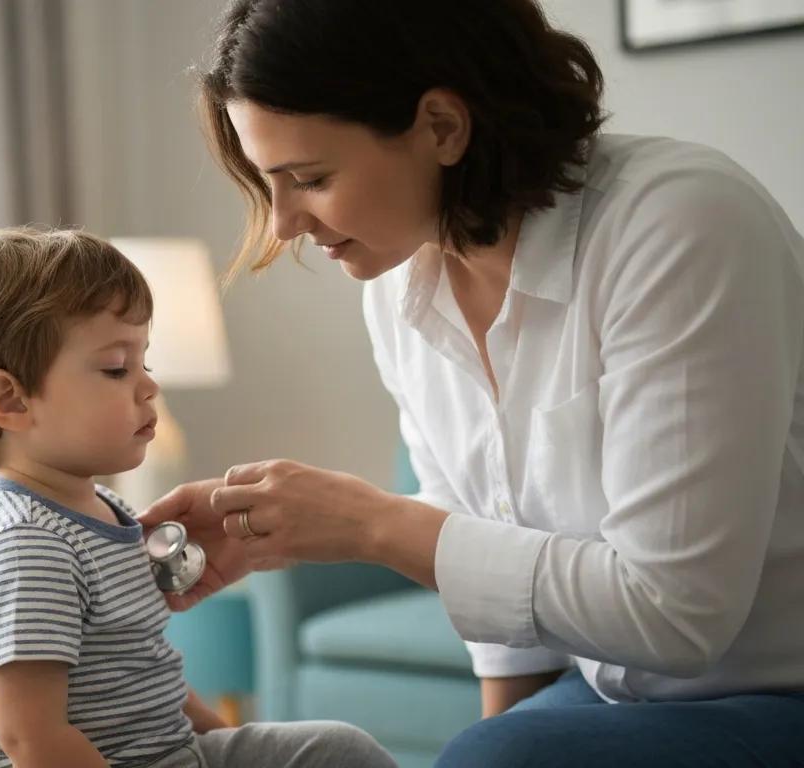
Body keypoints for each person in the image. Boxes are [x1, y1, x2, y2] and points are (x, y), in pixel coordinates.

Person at [138, 1, 804, 766]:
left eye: (311, 179)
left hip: (775, 687)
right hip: (617, 694)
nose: (284, 222)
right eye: (269, 183)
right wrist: (486, 744)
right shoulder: (399, 290)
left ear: (443, 127)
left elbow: (678, 616)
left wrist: (372, 524)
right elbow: (490, 557)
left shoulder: (682, 227)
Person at [0, 226, 396, 768]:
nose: (147, 386)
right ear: (10, 400)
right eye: (116, 368)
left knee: (337, 751)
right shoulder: (26, 550)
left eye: (144, 364)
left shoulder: (104, 512)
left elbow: (148, 670)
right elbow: (32, 740)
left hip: (172, 753)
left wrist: (225, 741)